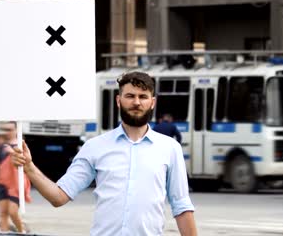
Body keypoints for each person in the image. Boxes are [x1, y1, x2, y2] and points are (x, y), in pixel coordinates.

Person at [11, 71, 197, 236]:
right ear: (118, 100)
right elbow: (59, 197)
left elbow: (182, 207)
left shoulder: (170, 148)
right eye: (130, 96)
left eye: (143, 96)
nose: (136, 102)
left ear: (152, 102)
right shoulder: (95, 147)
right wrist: (29, 167)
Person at [0, 121, 31, 233]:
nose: (6, 133)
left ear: (16, 130)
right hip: (2, 182)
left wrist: (11, 152)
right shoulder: (1, 144)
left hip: (16, 183)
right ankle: (4, 233)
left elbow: (25, 161)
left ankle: (22, 231)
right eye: (4, 130)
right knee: (3, 213)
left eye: (9, 130)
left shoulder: (20, 143)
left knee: (13, 212)